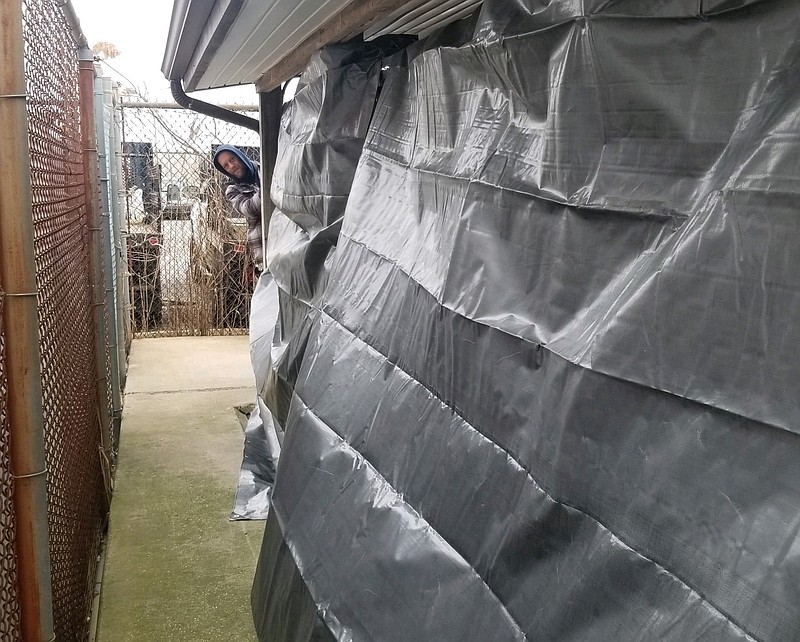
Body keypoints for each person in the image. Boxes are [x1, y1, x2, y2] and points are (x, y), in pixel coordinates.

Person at [213, 145, 263, 271]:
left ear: (241, 156)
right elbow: (249, 209)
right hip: (265, 248)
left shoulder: (265, 168)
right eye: (226, 165)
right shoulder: (232, 189)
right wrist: (269, 184)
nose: (231, 166)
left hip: (289, 238)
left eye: (232, 159)